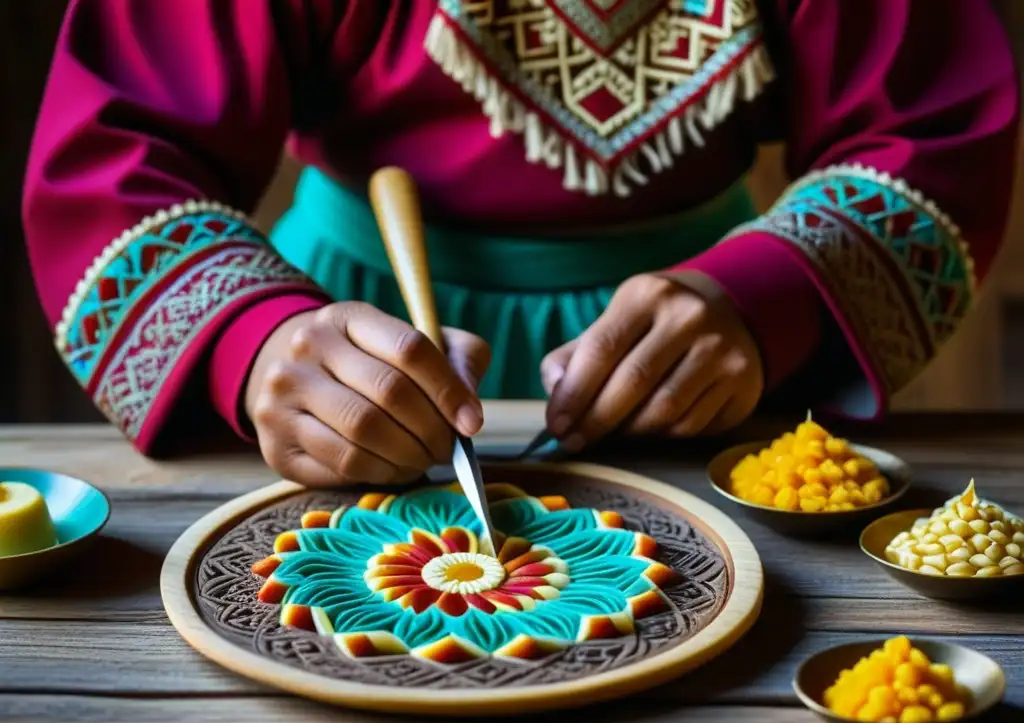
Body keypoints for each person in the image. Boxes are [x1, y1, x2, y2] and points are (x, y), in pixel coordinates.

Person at [23, 0, 1018, 488]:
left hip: (707, 356)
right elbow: (118, 149)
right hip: (335, 365)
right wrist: (253, 345)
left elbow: (931, 125)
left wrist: (769, 296)